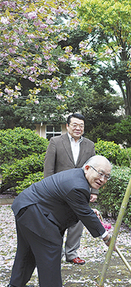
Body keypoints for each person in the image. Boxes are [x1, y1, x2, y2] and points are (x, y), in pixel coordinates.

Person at [6, 155, 113, 287]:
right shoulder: (79, 185)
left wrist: (87, 211)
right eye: (100, 173)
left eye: (107, 176)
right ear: (87, 168)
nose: (102, 179)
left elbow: (77, 206)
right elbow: (84, 213)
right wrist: (106, 237)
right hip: (33, 210)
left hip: (25, 205)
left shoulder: (78, 178)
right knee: (51, 246)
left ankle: (15, 286)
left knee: (27, 249)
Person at [44, 113, 96, 265]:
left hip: (80, 191)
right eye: (75, 125)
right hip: (58, 190)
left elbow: (94, 169)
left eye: (81, 126)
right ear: (67, 126)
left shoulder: (89, 145)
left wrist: (94, 191)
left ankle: (72, 253)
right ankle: (56, 253)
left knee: (77, 223)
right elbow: (49, 168)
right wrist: (48, 188)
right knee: (57, 221)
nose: (78, 128)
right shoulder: (55, 142)